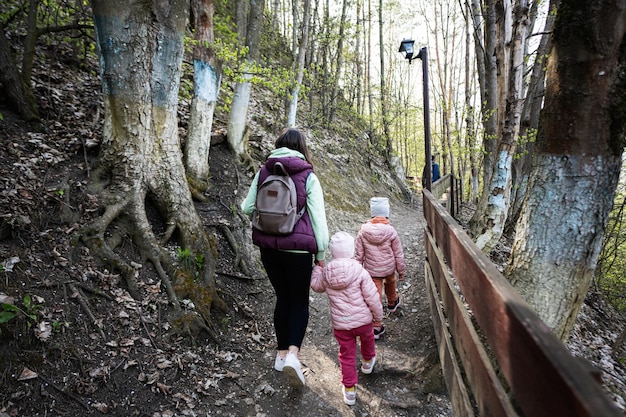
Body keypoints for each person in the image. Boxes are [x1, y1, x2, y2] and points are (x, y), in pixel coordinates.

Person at [240, 127, 329, 388]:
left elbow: (246, 207)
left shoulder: (264, 171)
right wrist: (321, 254)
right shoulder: (308, 176)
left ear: (278, 144)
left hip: (268, 249)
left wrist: (268, 223)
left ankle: (280, 356)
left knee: (283, 298)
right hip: (299, 252)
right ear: (302, 147)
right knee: (300, 302)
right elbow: (319, 221)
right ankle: (292, 354)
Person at [310, 231, 383, 406]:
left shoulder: (327, 272)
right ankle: (367, 362)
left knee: (347, 355)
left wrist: (317, 269)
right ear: (351, 251)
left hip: (342, 325)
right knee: (368, 340)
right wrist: (378, 317)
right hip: (364, 321)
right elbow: (372, 296)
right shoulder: (359, 270)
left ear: (333, 252)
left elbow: (316, 286)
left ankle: (349, 390)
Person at [355, 197, 406, 339]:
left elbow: (358, 255)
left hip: (372, 271)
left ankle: (376, 326)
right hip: (389, 269)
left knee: (374, 296)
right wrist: (401, 271)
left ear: (372, 213)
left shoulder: (363, 231)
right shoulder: (391, 231)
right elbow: (398, 254)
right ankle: (392, 302)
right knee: (391, 282)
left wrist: (357, 272)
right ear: (386, 213)